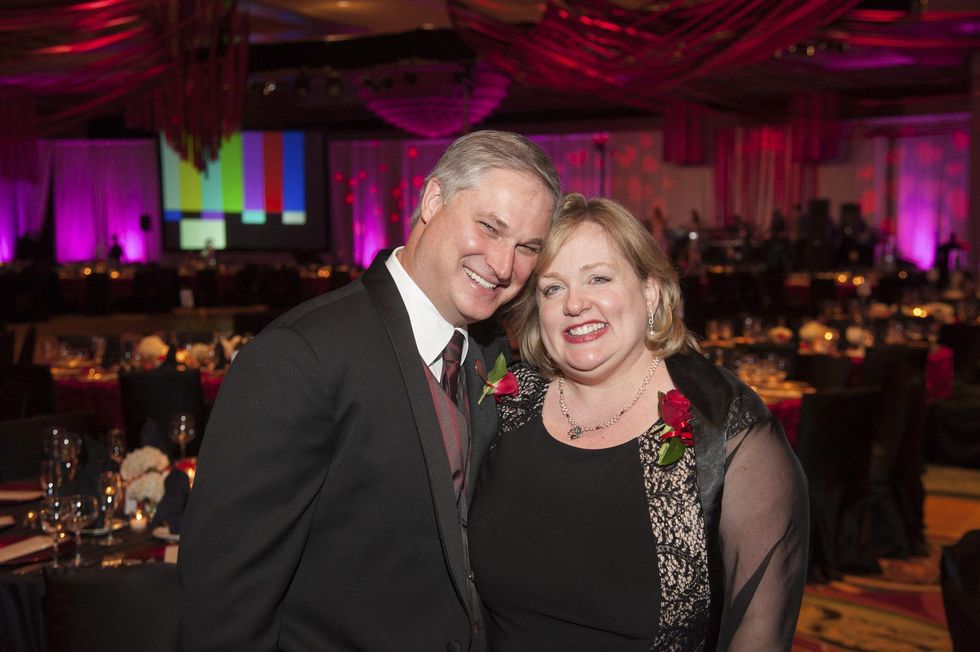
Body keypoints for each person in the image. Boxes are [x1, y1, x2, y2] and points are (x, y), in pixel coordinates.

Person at [178, 131, 561, 650]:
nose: (502, 264)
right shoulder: (301, 356)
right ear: (432, 201)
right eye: (490, 228)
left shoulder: (488, 353)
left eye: (526, 248)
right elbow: (223, 604)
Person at [469, 194, 808, 650]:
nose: (575, 304)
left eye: (599, 278)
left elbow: (759, 636)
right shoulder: (506, 405)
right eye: (552, 288)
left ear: (650, 291)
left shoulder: (725, 430)